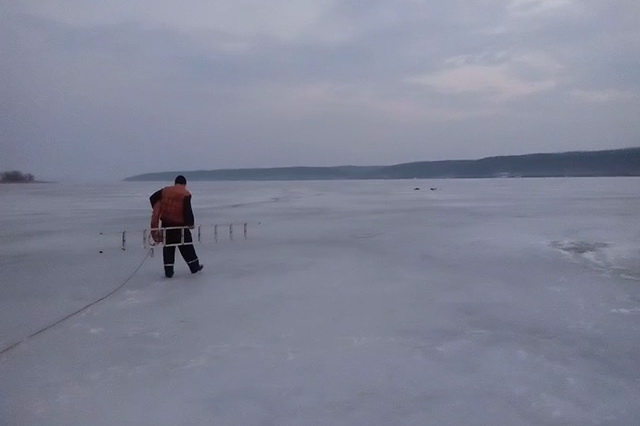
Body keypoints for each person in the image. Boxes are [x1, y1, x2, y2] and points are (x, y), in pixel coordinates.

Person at [150, 175, 204, 278]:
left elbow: (152, 198)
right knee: (187, 247)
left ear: (175, 183)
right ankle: (194, 267)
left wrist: (159, 208)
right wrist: (191, 224)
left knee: (168, 248)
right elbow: (187, 211)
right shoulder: (186, 193)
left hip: (166, 225)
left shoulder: (164, 191)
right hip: (180, 226)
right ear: (184, 184)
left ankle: (168, 271)